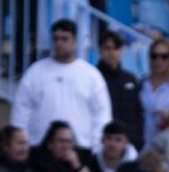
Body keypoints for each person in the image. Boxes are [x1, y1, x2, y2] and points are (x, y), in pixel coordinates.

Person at [8, 19, 110, 149]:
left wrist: (96, 147)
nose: (59, 43)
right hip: (40, 148)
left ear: (75, 40)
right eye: (55, 39)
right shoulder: (35, 72)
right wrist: (21, 141)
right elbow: (21, 110)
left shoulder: (91, 75)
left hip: (81, 148)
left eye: (64, 39)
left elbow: (102, 115)